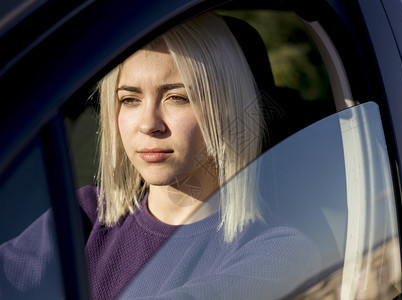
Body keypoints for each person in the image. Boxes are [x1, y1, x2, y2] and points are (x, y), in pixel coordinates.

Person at [0, 12, 319, 299]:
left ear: (229, 111)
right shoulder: (85, 216)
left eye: (177, 98)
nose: (149, 124)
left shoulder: (279, 249)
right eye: (129, 100)